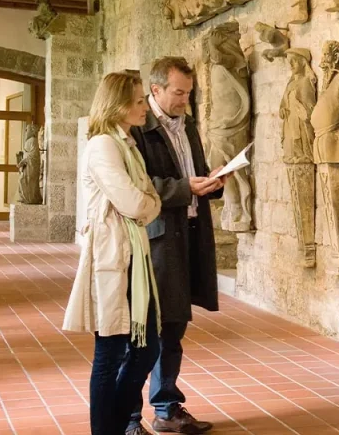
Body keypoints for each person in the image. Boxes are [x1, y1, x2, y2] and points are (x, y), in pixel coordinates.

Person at [126, 57, 226, 435]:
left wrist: (213, 182)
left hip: (188, 234)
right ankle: (129, 417)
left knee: (174, 327)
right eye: (179, 92)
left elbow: (190, 174)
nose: (185, 99)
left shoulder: (188, 126)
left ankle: (167, 408)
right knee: (144, 330)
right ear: (156, 90)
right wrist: (186, 188)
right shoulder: (139, 129)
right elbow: (140, 184)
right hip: (156, 239)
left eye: (189, 92)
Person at [62, 70, 163, 435]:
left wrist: (148, 203)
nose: (145, 109)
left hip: (134, 261)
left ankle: (116, 422)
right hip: (113, 259)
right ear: (118, 104)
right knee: (109, 355)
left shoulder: (127, 145)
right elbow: (137, 203)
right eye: (138, 101)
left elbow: (148, 199)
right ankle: (106, 429)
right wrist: (149, 204)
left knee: (147, 348)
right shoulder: (103, 145)